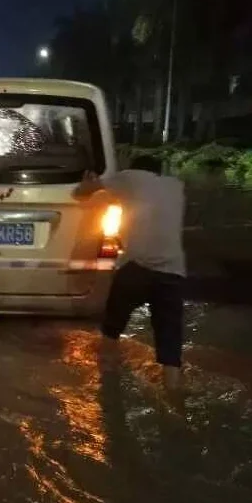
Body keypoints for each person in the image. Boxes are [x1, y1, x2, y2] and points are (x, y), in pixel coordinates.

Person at [74, 154, 186, 389]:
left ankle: (107, 380)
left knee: (111, 327)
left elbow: (80, 194)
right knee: (170, 344)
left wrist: (88, 182)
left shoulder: (128, 178)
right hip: (174, 273)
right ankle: (174, 398)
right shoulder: (176, 186)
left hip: (138, 267)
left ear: (135, 169)